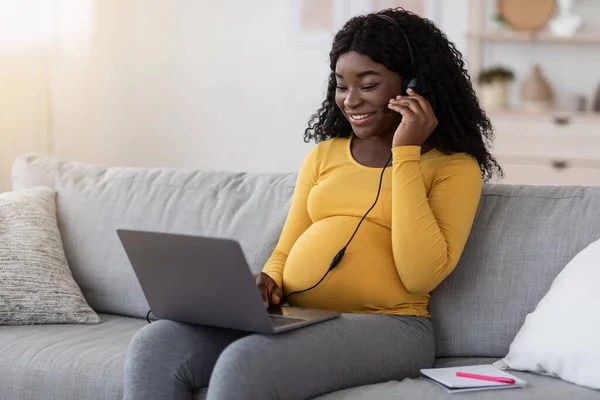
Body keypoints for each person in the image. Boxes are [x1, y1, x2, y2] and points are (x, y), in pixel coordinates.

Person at [123, 7, 502, 400]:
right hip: (296, 316)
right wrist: (267, 283)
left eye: (368, 85)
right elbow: (286, 247)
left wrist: (405, 153)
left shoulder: (454, 168)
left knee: (246, 361)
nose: (350, 100)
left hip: (392, 326)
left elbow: (420, 275)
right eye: (341, 85)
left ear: (413, 87)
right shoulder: (325, 155)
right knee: (157, 344)